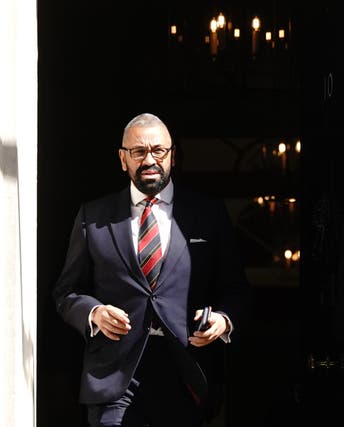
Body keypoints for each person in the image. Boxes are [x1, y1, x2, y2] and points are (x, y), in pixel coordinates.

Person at [52, 113, 250, 427]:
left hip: (185, 371)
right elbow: (66, 292)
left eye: (158, 151)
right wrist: (94, 313)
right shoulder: (94, 216)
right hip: (114, 376)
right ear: (122, 159)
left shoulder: (207, 213)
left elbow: (236, 288)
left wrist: (222, 320)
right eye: (138, 152)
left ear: (172, 156)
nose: (149, 160)